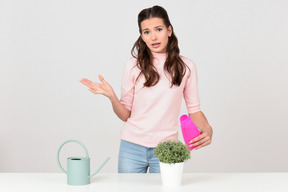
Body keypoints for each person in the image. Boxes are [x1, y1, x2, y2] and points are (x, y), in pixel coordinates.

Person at [80, 5, 213, 173]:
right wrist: (112, 97)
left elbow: (194, 110)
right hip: (131, 147)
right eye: (146, 32)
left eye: (158, 29)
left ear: (169, 30)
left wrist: (207, 128)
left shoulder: (186, 66)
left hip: (167, 148)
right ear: (142, 36)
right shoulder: (133, 65)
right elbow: (125, 114)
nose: (153, 37)